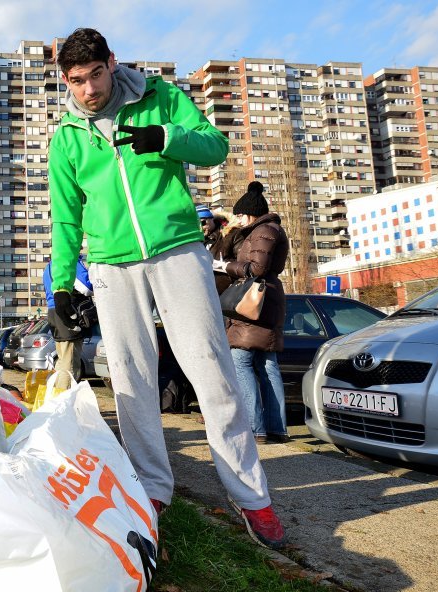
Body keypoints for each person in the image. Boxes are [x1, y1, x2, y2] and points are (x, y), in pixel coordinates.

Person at [48, 28, 287, 548]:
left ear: (111, 63)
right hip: (112, 266)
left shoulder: (162, 98)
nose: (87, 91)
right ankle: (154, 488)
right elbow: (65, 220)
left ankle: (252, 499)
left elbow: (214, 146)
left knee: (213, 371)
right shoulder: (67, 136)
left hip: (177, 249)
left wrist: (168, 138)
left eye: (93, 76)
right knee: (131, 381)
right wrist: (61, 288)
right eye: (74, 81)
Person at [214, 182, 291, 445]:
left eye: (240, 214)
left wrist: (226, 266)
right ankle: (276, 429)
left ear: (249, 213)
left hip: (255, 301)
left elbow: (256, 268)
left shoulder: (263, 231)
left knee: (241, 361)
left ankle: (255, 428)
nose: (237, 219)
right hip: (267, 299)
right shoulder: (267, 230)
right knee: (267, 365)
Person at [43, 254, 94, 389]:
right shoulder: (69, 261)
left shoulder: (49, 266)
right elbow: (86, 287)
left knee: (62, 359)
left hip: (53, 312)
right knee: (70, 362)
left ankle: (56, 397)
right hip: (68, 313)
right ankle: (65, 400)